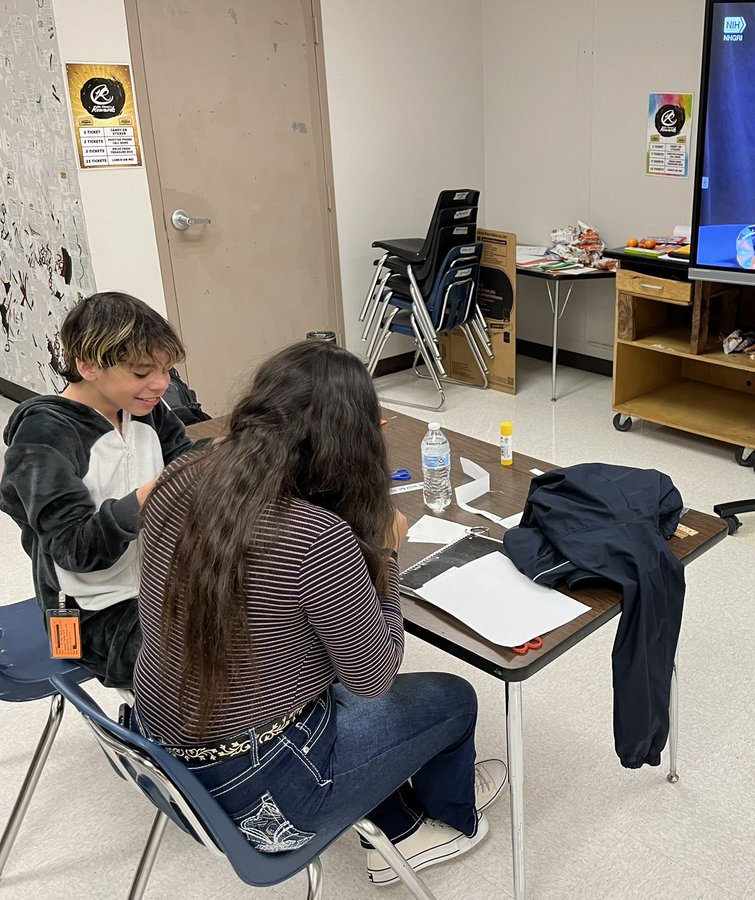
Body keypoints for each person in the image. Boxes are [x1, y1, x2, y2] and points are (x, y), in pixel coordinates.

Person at [129, 340, 505, 884]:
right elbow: (374, 677)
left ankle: (392, 819)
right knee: (454, 698)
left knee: (321, 670)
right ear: (350, 438)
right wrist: (386, 557)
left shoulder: (182, 473)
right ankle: (434, 827)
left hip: (162, 761)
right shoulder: (317, 538)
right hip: (257, 799)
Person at [0, 291, 191, 688]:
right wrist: (154, 494)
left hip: (159, 583)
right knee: (212, 658)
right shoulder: (43, 437)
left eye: (167, 370)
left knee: (273, 612)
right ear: (87, 366)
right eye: (142, 372)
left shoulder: (149, 411)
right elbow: (74, 549)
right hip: (91, 614)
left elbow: (186, 467)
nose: (160, 384)